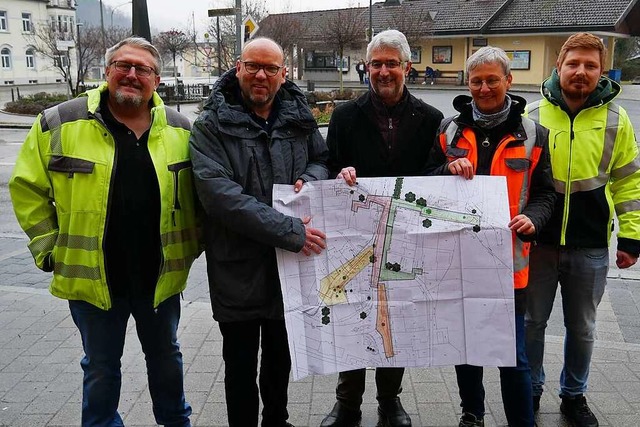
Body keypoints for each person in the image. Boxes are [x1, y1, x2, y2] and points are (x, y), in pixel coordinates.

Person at [9, 36, 200, 426]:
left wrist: (193, 248)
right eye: (123, 65)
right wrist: (48, 247)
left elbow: (203, 199)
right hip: (95, 281)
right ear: (106, 71)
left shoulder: (183, 131)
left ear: (157, 80)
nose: (131, 74)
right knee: (100, 370)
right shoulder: (59, 121)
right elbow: (27, 189)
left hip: (159, 281)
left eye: (142, 69)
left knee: (167, 362)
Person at [189, 37, 329, 427]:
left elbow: (322, 159)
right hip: (238, 268)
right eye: (253, 66)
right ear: (238, 68)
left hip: (287, 268)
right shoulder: (210, 125)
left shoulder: (298, 119)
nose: (261, 75)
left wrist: (309, 177)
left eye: (271, 68)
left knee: (280, 359)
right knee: (239, 366)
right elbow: (221, 198)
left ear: (284, 74)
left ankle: (277, 421)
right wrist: (289, 230)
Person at [424, 46, 556, 427]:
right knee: (466, 346)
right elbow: (426, 178)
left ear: (508, 81)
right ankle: (472, 414)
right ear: (469, 83)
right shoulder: (448, 129)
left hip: (508, 263)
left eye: (492, 79)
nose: (484, 88)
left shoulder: (534, 134)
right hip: (457, 259)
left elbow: (546, 192)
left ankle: (521, 421)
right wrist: (447, 168)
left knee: (512, 354)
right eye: (476, 80)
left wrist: (533, 217)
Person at [322, 29, 444, 427]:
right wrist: (339, 172)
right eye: (376, 63)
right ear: (367, 68)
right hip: (355, 235)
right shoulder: (344, 116)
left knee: (396, 316)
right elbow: (327, 166)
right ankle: (347, 402)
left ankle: (390, 400)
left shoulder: (430, 118)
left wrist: (451, 171)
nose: (384, 70)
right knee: (353, 315)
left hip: (404, 235)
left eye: (392, 63)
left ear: (407, 67)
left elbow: (432, 174)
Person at [524, 32, 640, 427]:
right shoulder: (533, 115)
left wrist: (631, 237)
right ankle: (531, 388)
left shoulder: (615, 118)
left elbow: (628, 182)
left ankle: (574, 395)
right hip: (537, 241)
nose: (581, 72)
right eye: (573, 64)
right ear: (559, 67)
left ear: (601, 71)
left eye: (591, 66)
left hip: (590, 243)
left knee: (583, 328)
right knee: (531, 323)